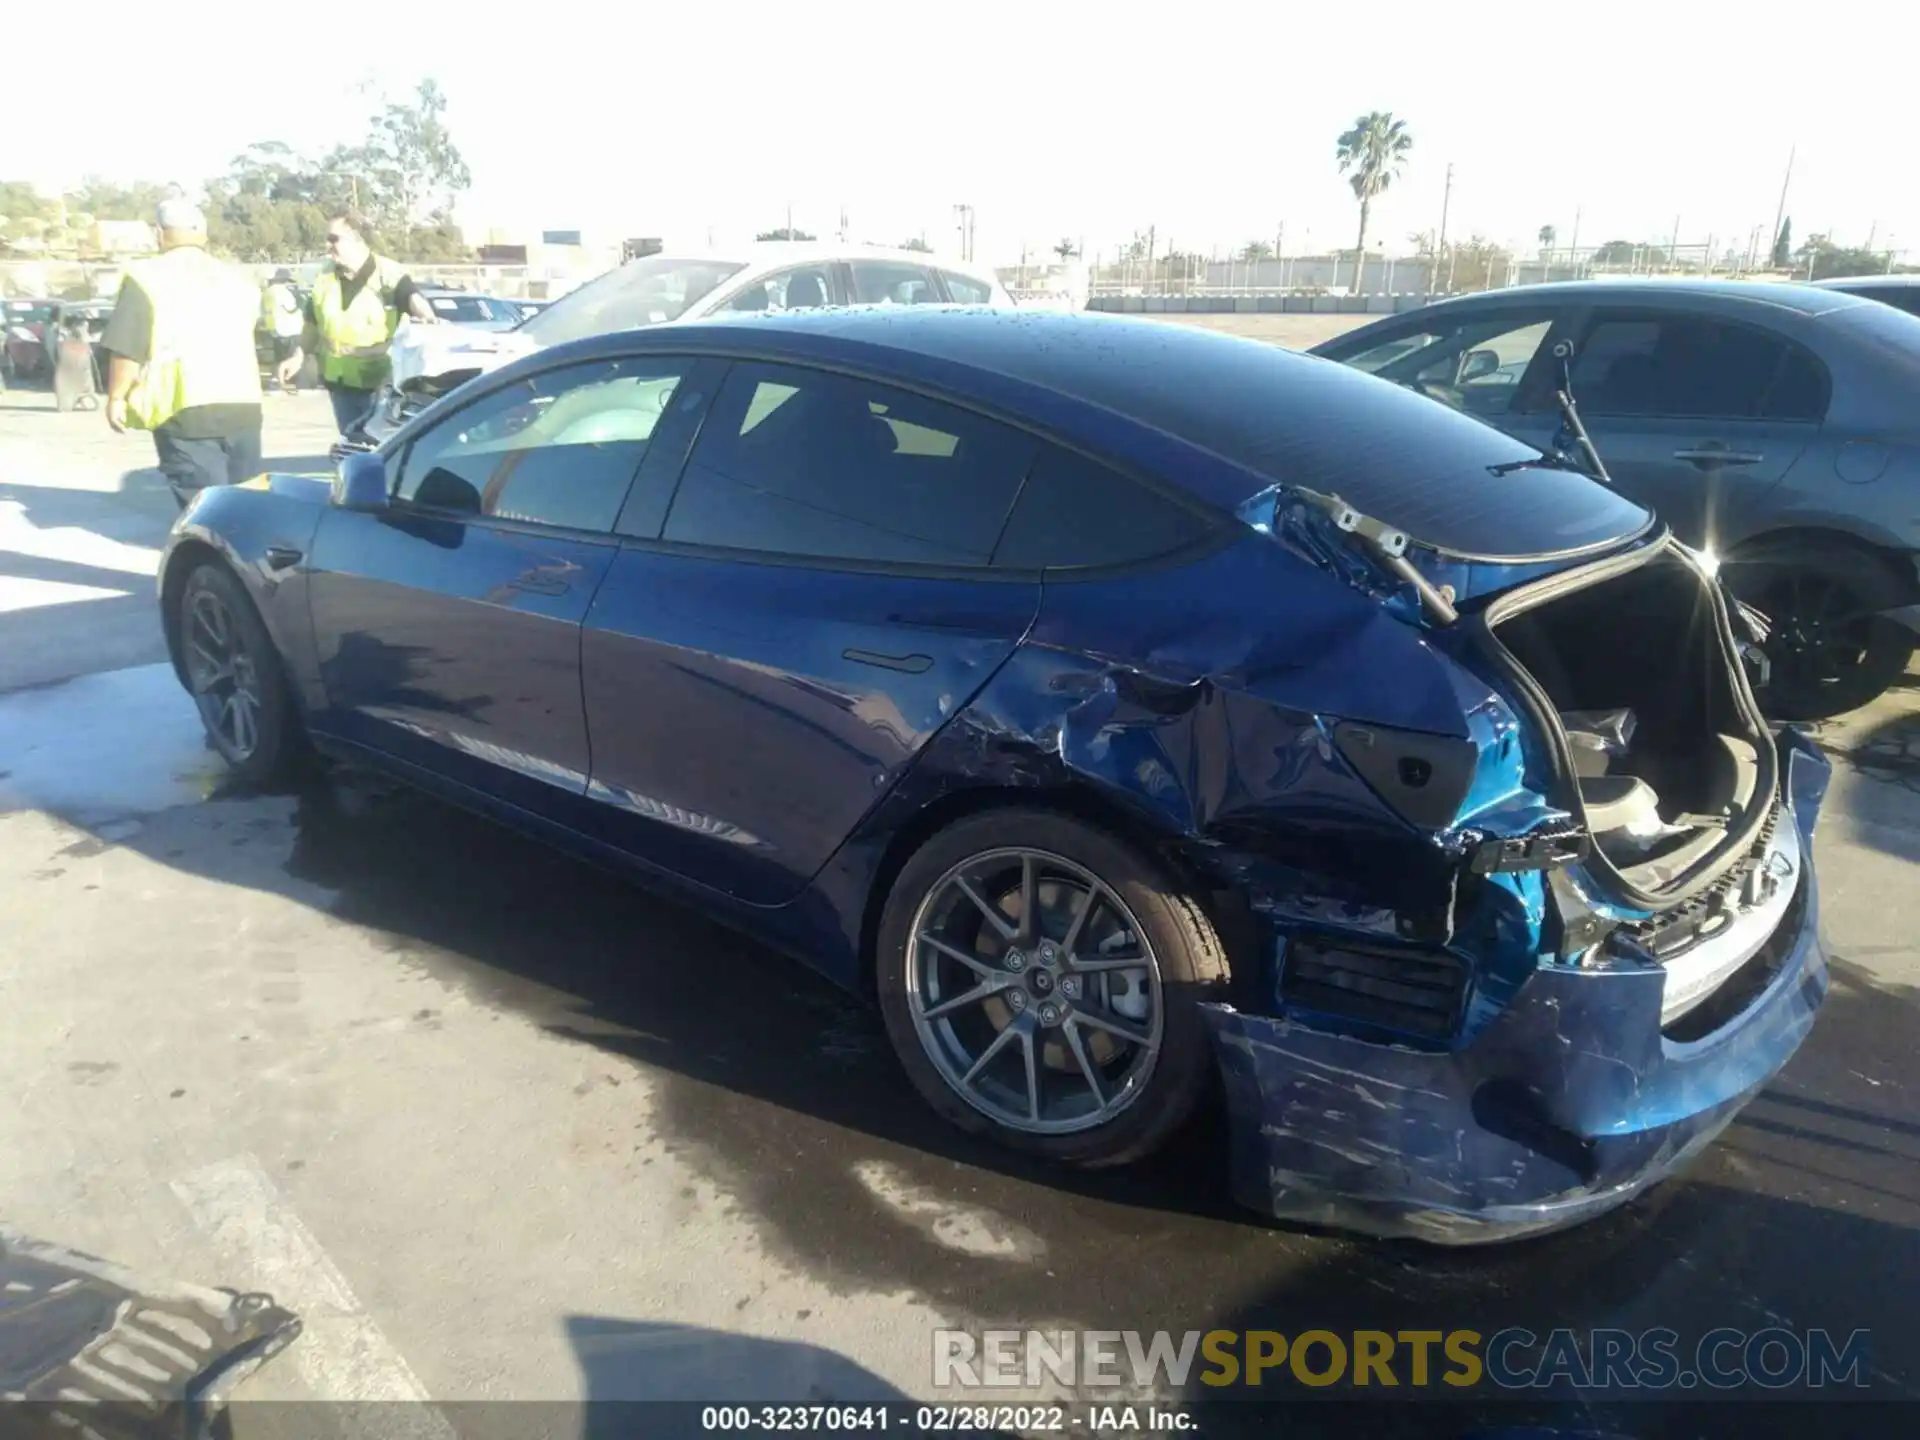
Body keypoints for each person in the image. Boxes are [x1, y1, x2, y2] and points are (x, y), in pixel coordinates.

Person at [100, 198, 264, 508]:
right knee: (246, 508)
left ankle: (211, 557)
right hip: (244, 407)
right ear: (203, 233)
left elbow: (127, 346)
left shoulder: (145, 277)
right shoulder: (240, 279)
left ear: (159, 233)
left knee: (205, 511)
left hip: (185, 410)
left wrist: (116, 397)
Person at [276, 210, 437, 436]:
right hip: (340, 388)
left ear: (357, 239)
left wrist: (428, 319)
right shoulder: (324, 277)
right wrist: (298, 355)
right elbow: (312, 323)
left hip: (381, 389)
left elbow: (413, 299)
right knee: (351, 449)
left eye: (334, 239)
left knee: (380, 452)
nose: (327, 245)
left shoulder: (387, 273)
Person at [261, 267, 304, 393]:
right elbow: (291, 309)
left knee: (280, 358)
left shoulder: (267, 293)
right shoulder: (283, 292)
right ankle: (287, 382)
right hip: (289, 329)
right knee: (295, 357)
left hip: (274, 330)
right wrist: (300, 303)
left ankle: (276, 382)